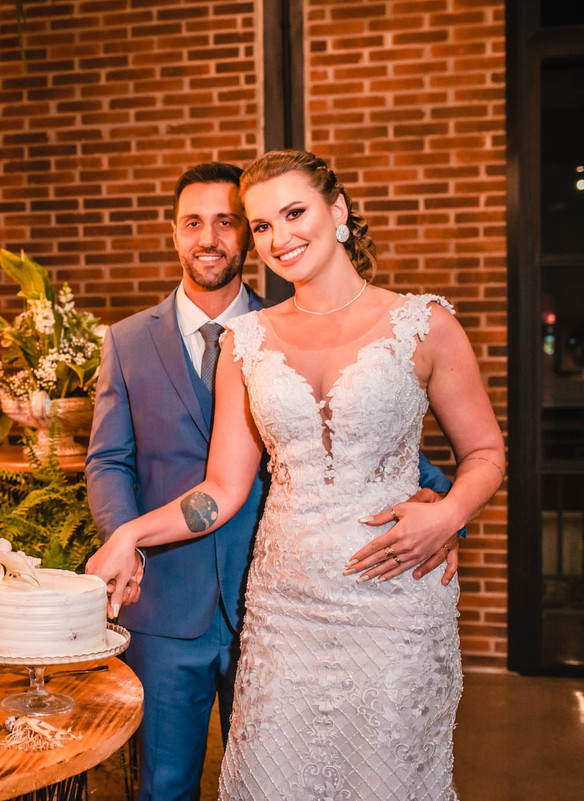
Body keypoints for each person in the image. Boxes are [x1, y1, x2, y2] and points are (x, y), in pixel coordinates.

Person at [88, 150, 505, 799]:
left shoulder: (425, 324)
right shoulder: (248, 341)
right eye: (261, 225)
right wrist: (130, 533)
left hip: (393, 603)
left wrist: (448, 514)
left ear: (337, 211)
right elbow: (221, 490)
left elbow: (485, 453)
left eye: (293, 213)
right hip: (285, 612)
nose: (279, 237)